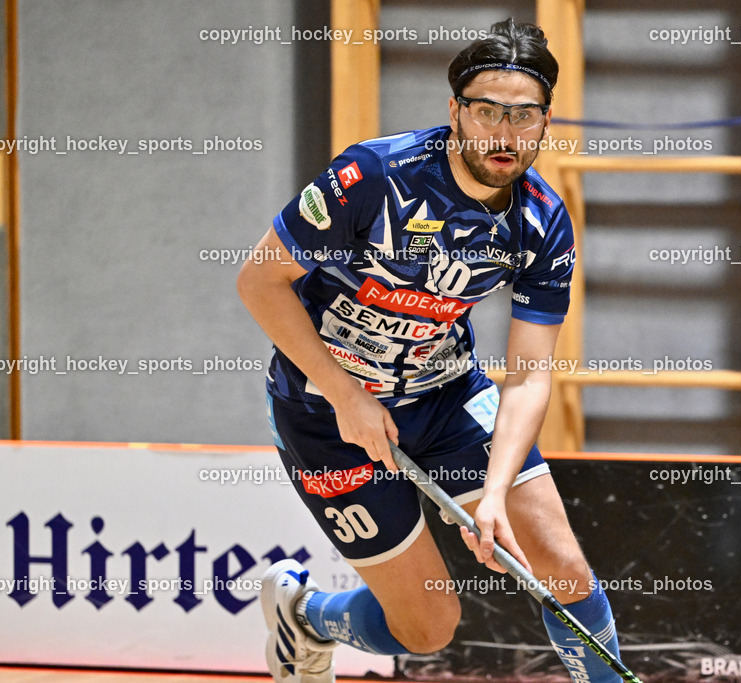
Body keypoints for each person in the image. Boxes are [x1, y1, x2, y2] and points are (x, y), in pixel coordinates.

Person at [237, 17, 622, 683]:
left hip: (445, 397)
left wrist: (493, 493)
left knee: (560, 566)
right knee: (427, 627)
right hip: (326, 414)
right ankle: (307, 614)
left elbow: (529, 376)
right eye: (487, 111)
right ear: (455, 112)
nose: (504, 134)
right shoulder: (374, 176)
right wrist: (345, 395)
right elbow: (260, 281)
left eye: (524, 116)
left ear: (545, 122)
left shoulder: (542, 222)